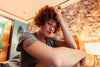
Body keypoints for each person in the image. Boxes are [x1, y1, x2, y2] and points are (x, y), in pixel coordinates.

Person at [17, 5, 86, 67]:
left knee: (76, 62)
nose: (52, 29)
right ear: (41, 21)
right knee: (52, 60)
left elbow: (73, 46)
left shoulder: (51, 40)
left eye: (54, 27)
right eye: (49, 23)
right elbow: (55, 60)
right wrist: (81, 53)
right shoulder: (26, 36)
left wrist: (61, 20)